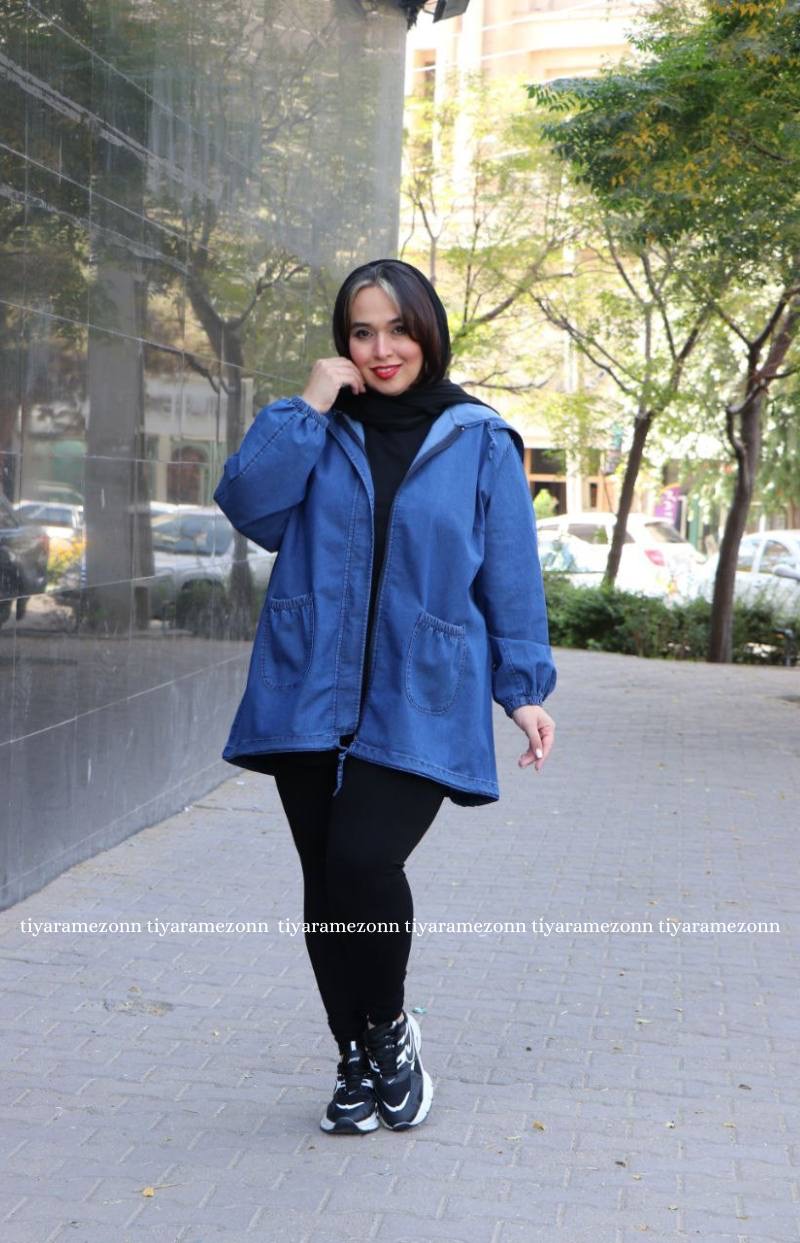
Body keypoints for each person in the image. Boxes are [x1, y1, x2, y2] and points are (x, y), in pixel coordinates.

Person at [213, 258, 556, 1135]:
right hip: (307, 685)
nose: (382, 348)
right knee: (326, 881)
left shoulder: (479, 439)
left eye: (399, 328)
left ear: (428, 332)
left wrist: (522, 690)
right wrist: (308, 403)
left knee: (365, 862)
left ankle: (391, 1029)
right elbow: (248, 504)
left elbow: (510, 573)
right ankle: (355, 1058)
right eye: (362, 332)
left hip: (421, 692)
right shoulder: (317, 428)